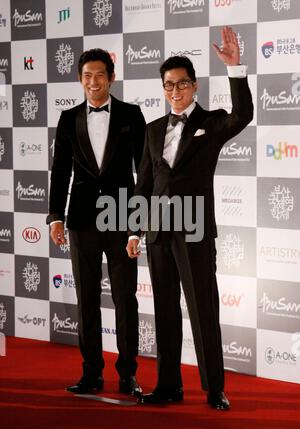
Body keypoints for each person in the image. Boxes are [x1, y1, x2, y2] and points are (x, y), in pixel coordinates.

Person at [126, 27, 253, 409]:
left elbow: (242, 114)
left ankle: (214, 389)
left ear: (194, 86)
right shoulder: (151, 131)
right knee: (164, 311)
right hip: (158, 235)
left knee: (202, 309)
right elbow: (144, 185)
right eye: (169, 85)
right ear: (163, 89)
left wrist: (236, 69)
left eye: (182, 84)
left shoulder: (212, 123)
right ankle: (168, 386)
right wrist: (133, 230)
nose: (175, 92)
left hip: (195, 230)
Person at [47, 48, 146, 395]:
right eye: (87, 75)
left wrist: (138, 224)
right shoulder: (68, 118)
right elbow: (60, 171)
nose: (93, 81)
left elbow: (144, 174)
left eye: (100, 75)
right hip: (82, 221)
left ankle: (128, 374)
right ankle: (91, 373)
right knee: (87, 299)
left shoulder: (132, 115)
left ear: (111, 77)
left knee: (125, 299)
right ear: (80, 78)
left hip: (121, 218)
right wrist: (55, 216)